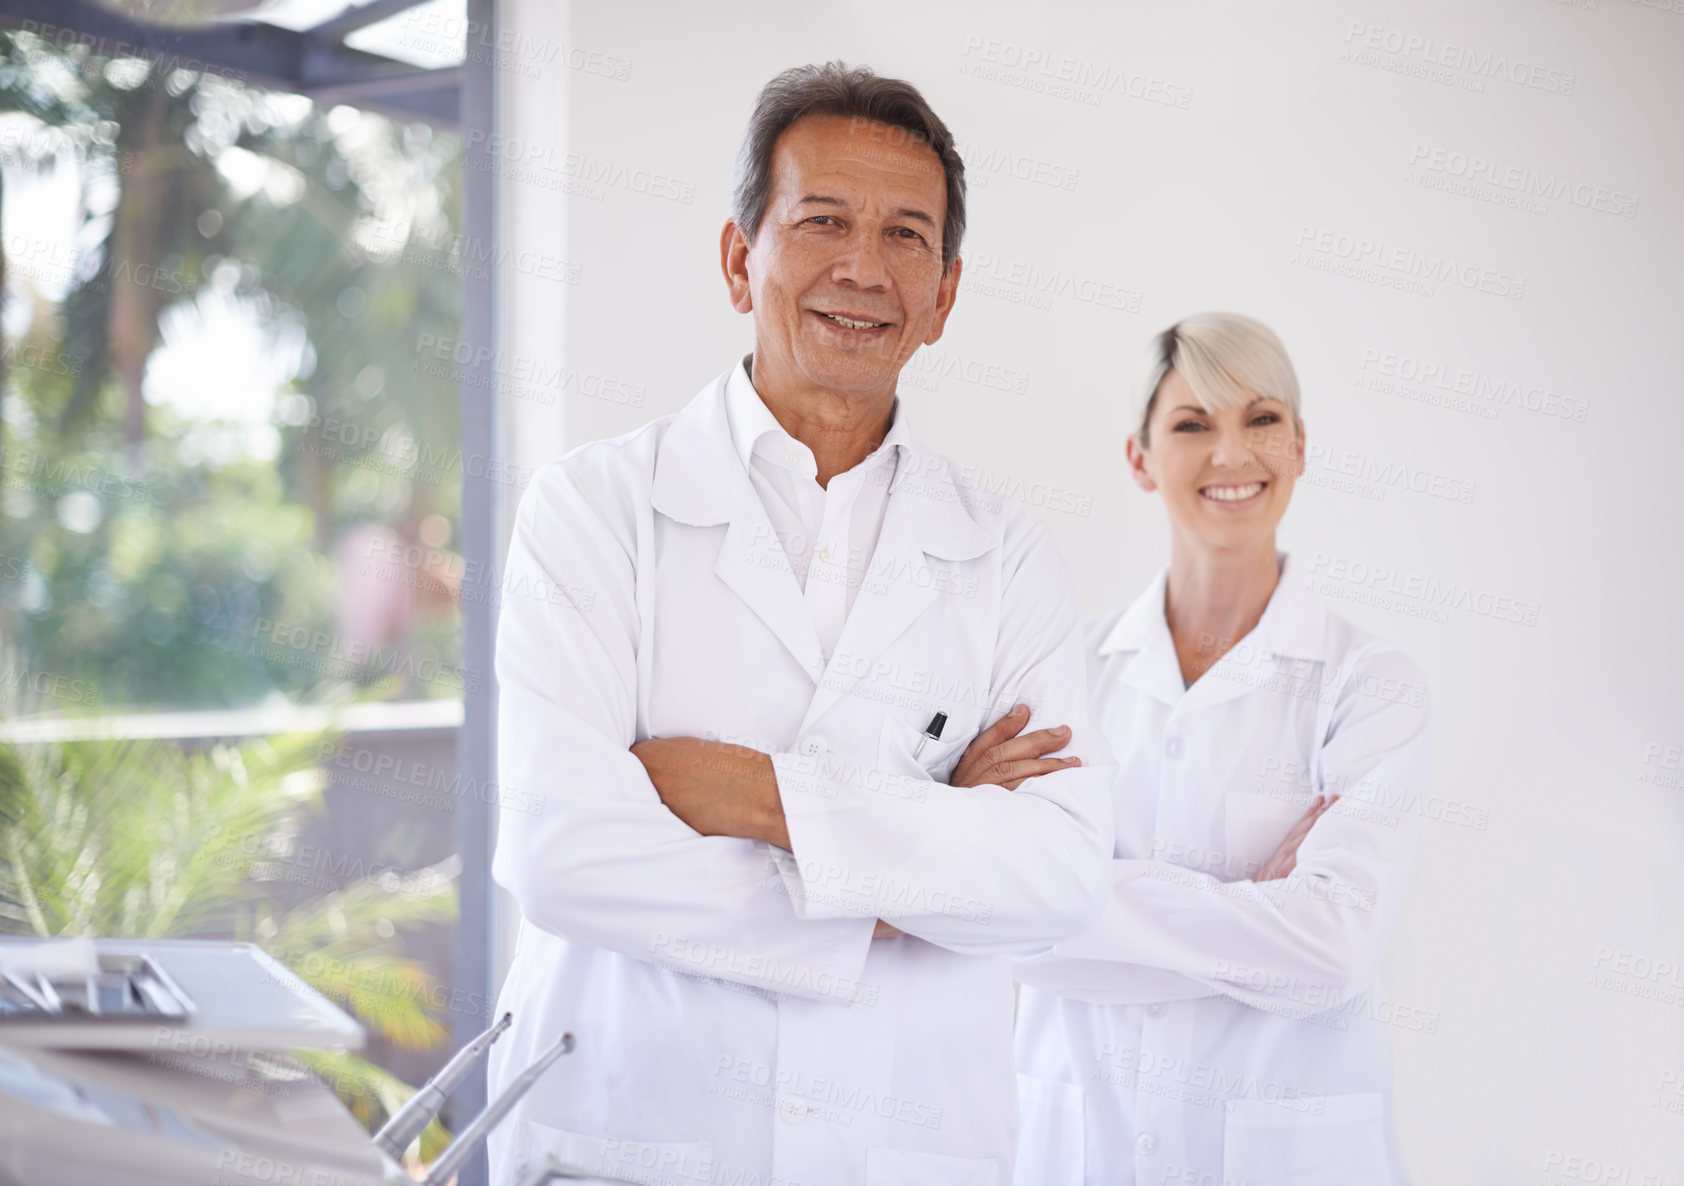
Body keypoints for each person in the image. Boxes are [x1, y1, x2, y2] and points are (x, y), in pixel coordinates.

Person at [485, 63, 1115, 1186]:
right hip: (629, 1134)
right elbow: (561, 853)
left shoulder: (1004, 551)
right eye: (822, 220)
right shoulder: (593, 511)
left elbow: (1057, 875)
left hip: (906, 1144)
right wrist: (910, 871)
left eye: (904, 236)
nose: (861, 269)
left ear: (945, 295)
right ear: (740, 259)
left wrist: (751, 798)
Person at [999, 313, 1430, 1185]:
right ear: (1140, 459)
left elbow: (1333, 950)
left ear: (1301, 446)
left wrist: (1073, 899)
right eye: (1193, 425)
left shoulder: (1370, 685)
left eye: (1261, 419)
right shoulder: (1059, 674)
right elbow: (992, 920)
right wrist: (1247, 911)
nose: (1231, 454)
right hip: (1082, 1148)